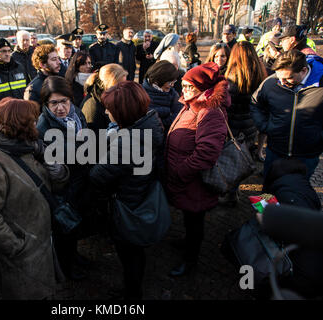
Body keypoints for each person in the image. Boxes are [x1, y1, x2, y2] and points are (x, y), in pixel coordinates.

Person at [0, 97, 69, 299]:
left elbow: (50, 187)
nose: (36, 124)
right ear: (17, 125)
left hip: (41, 243)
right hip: (21, 255)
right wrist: (16, 247)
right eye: (31, 120)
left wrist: (57, 171)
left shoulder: (28, 148)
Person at [89, 81, 164, 300]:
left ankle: (132, 294)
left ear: (122, 112)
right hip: (141, 192)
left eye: (109, 108)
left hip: (127, 202)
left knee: (129, 253)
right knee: (136, 251)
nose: (105, 112)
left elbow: (98, 176)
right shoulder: (151, 121)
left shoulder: (125, 141)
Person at [165, 62, 230, 277]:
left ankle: (190, 260)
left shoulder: (210, 112)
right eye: (182, 85)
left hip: (195, 182)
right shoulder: (192, 104)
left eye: (189, 87)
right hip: (187, 181)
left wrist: (182, 172)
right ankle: (187, 243)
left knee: (195, 220)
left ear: (204, 89)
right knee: (189, 217)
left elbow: (206, 154)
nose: (183, 90)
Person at [36, 76, 90, 280]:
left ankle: (74, 256)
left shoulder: (76, 113)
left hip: (79, 182)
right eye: (54, 103)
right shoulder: (43, 127)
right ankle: (66, 268)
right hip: (61, 189)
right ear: (46, 104)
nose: (60, 108)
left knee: (74, 227)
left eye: (64, 101)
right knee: (63, 231)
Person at [250, 50, 323, 180]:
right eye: (279, 77)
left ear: (303, 71)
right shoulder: (271, 83)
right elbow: (255, 103)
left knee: (296, 192)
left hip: (307, 156)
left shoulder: (320, 86)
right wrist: (265, 126)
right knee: (269, 192)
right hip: (275, 151)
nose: (282, 82)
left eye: (288, 78)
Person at [262, 158, 323, 299]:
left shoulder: (286, 194)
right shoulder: (303, 186)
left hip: (302, 272)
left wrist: (266, 217)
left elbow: (276, 225)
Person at [220, 41, 268, 206]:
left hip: (233, 125)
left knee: (231, 159)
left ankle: (231, 194)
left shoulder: (232, 77)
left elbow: (227, 104)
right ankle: (235, 191)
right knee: (242, 158)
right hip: (250, 125)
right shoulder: (260, 73)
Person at [81, 63, 127, 135]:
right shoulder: (92, 106)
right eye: (120, 85)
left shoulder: (110, 97)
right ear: (109, 84)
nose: (124, 89)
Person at [0, 38, 29, 104]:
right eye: (3, 51)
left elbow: (28, 88)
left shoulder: (19, 67)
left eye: (9, 51)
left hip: (21, 110)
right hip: (2, 112)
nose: (7, 54)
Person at [142, 60, 182, 131]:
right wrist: (167, 112)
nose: (172, 85)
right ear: (158, 80)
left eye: (174, 82)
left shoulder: (172, 93)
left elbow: (179, 115)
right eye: (170, 82)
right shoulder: (141, 93)